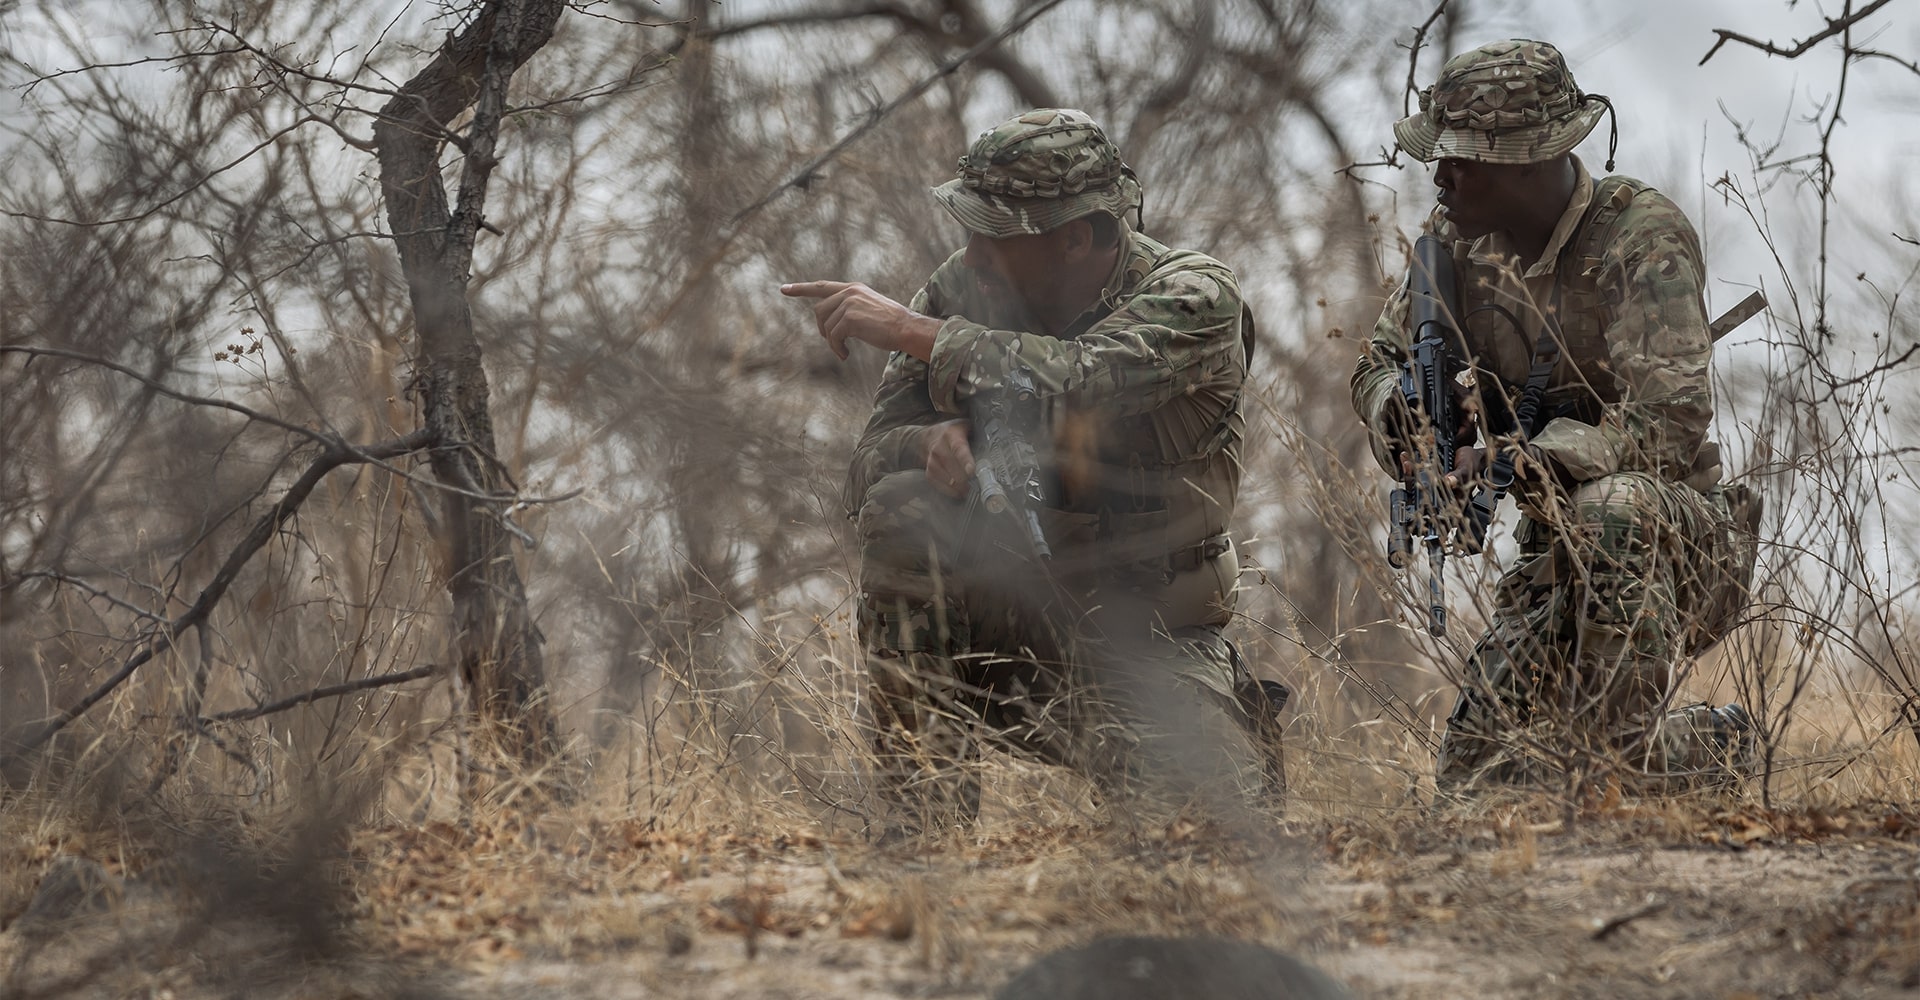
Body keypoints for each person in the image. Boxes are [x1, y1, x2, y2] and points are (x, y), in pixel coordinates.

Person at [783, 108, 1282, 834]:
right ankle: (922, 828)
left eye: (995, 232)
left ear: (1074, 237)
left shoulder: (1195, 296)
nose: (972, 252)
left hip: (1150, 634)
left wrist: (908, 330)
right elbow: (866, 463)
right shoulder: (963, 288)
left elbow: (1081, 377)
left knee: (1197, 833)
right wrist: (922, 447)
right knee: (901, 506)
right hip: (1007, 629)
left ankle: (1221, 726)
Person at [1350, 40, 1761, 793]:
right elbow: (1376, 360)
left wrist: (1522, 459)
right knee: (1477, 783)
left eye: (1460, 159)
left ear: (1525, 163)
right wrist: (1401, 412)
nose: (1438, 177)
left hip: (1669, 541)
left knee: (1612, 511)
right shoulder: (1454, 248)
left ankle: (1712, 746)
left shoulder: (1640, 236)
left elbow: (1669, 424)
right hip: (1555, 549)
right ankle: (1651, 755)